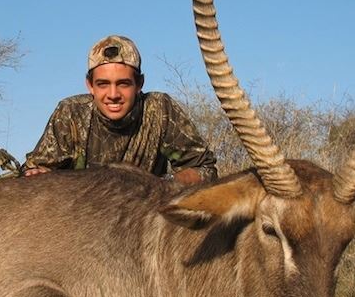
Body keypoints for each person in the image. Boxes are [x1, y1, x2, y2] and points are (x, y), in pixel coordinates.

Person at [23, 35, 217, 185]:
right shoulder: (71, 113)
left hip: (143, 213)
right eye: (103, 84)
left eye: (123, 84)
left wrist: (161, 186)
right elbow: (36, 168)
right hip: (79, 216)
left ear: (139, 84)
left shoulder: (160, 109)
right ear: (90, 85)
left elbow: (204, 169)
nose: (113, 94)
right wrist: (36, 175)